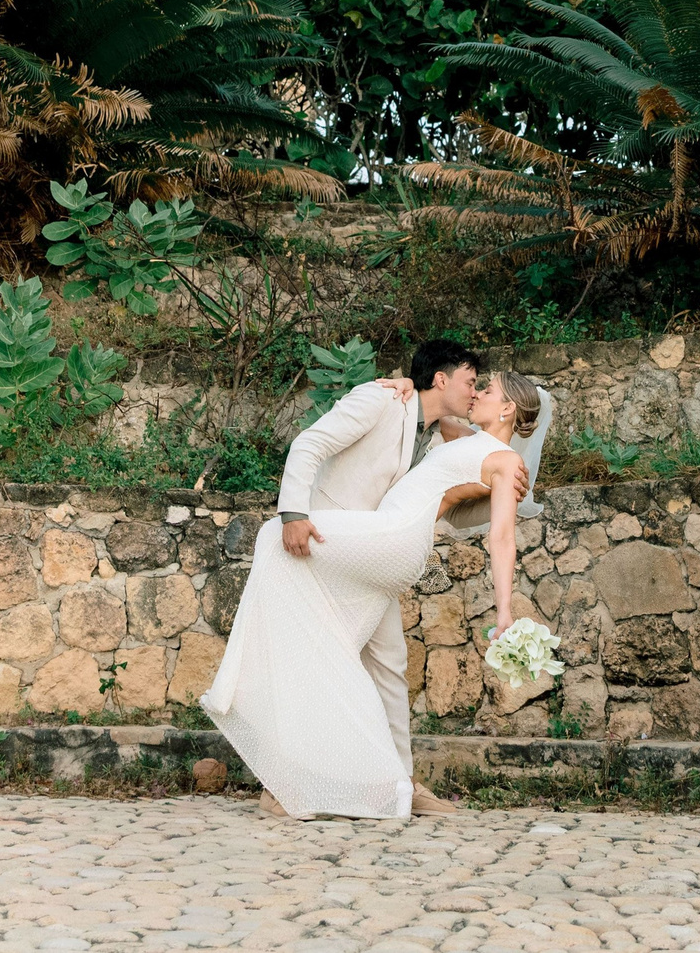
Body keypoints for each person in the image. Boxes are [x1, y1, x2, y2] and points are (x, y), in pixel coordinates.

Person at [200, 346, 542, 820]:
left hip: (380, 545)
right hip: (354, 540)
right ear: (441, 381)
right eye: (472, 381)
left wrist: (509, 495)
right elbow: (314, 444)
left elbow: (485, 522)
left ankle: (366, 783)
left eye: (486, 388)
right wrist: (294, 513)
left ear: (506, 407)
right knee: (386, 664)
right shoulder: (413, 415)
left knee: (355, 653)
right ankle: (351, 784)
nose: (477, 390)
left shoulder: (485, 450)